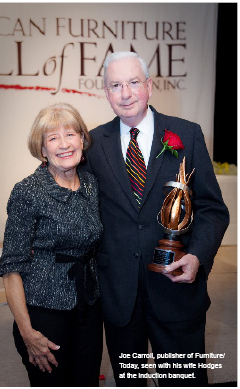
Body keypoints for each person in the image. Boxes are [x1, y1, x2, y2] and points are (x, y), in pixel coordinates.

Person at [84, 52, 229, 387]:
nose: (125, 93)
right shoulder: (93, 144)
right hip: (120, 296)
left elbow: (212, 208)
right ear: (106, 92)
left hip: (177, 288)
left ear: (149, 86)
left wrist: (197, 257)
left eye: (133, 82)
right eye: (115, 85)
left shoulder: (186, 135)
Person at [0, 102, 103, 387]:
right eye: (53, 138)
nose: (64, 144)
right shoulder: (27, 192)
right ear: (42, 149)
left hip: (89, 306)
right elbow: (11, 268)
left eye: (70, 134)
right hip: (44, 312)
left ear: (82, 139)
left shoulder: (92, 185)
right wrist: (26, 332)